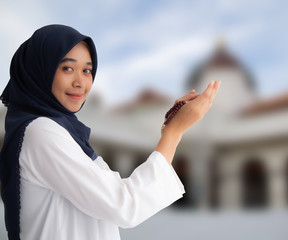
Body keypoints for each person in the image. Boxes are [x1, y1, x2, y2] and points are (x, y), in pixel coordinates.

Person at [0, 24, 220, 240]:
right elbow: (123, 204)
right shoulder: (41, 132)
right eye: (67, 68)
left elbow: (111, 198)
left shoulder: (62, 132)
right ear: (40, 70)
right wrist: (174, 132)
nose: (80, 82)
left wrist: (169, 129)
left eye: (87, 70)